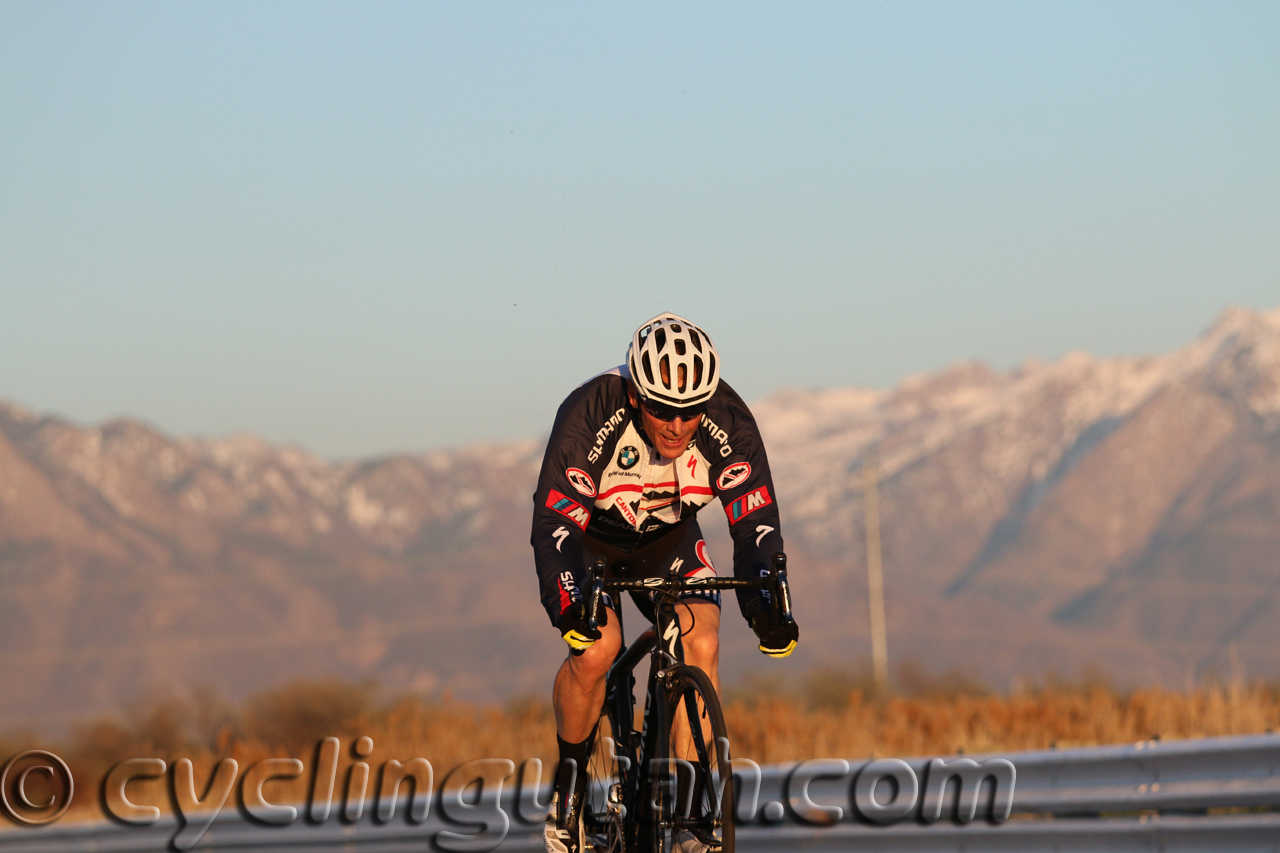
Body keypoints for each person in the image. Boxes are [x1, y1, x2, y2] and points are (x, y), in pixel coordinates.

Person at [531, 312, 799, 853]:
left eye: (691, 411)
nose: (678, 425)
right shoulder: (590, 412)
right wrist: (569, 603)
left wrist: (770, 604)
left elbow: (756, 524)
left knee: (701, 638)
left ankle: (692, 811)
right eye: (663, 410)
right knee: (596, 650)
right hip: (591, 544)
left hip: (669, 541)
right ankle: (571, 791)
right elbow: (555, 523)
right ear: (635, 396)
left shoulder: (729, 420)